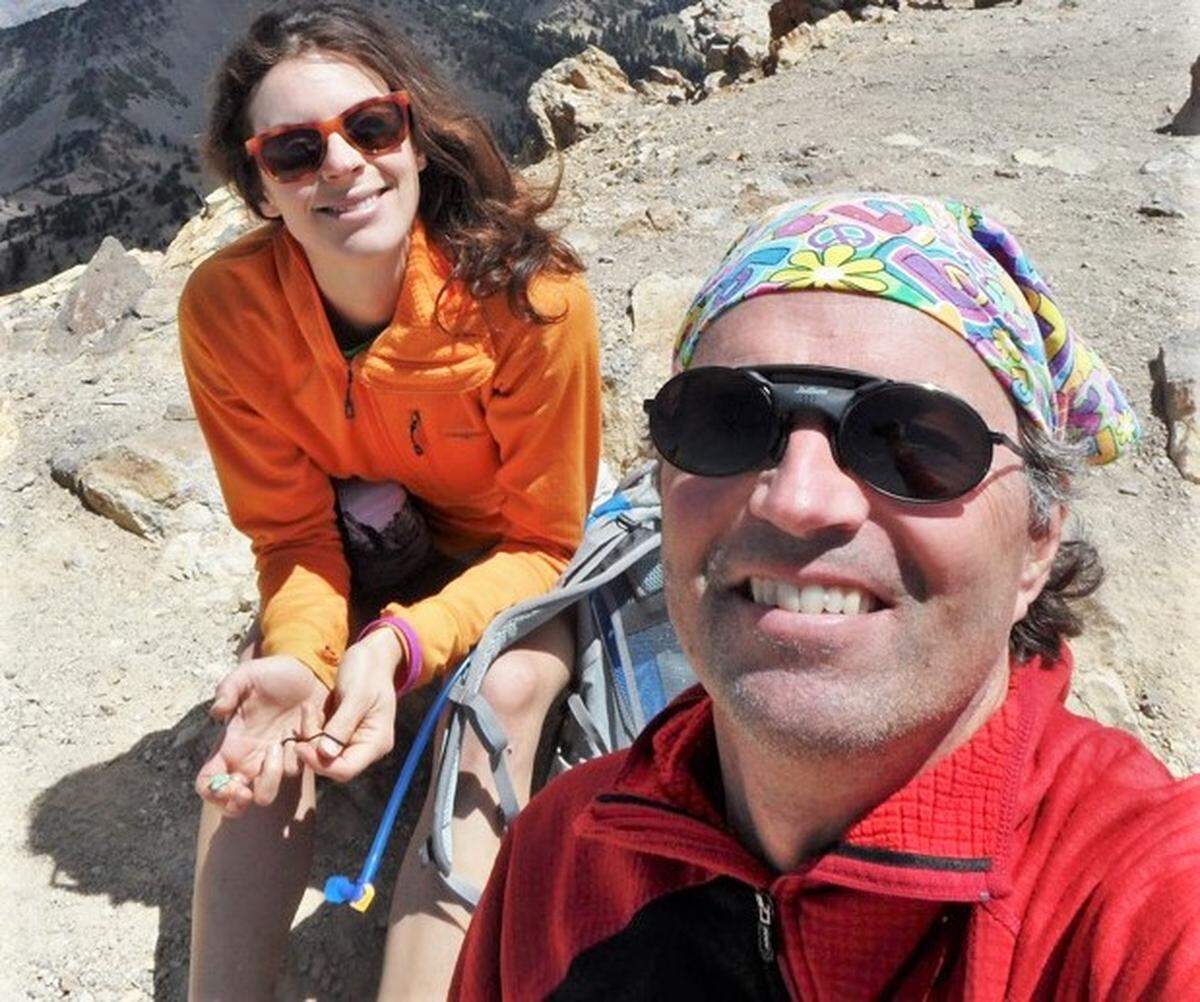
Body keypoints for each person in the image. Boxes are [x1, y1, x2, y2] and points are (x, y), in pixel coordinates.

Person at [451, 193, 1200, 1000]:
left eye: (910, 439)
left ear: (1036, 543)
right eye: (725, 420)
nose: (797, 499)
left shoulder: (1142, 907)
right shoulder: (556, 861)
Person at [178, 4, 600, 998]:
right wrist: (300, 656)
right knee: (270, 709)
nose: (342, 165)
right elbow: (290, 532)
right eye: (294, 150)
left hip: (507, 567)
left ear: (414, 138)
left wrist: (401, 646)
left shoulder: (533, 301)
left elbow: (544, 543)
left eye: (370, 128)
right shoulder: (229, 313)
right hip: (365, 550)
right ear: (260, 190)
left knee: (505, 693)